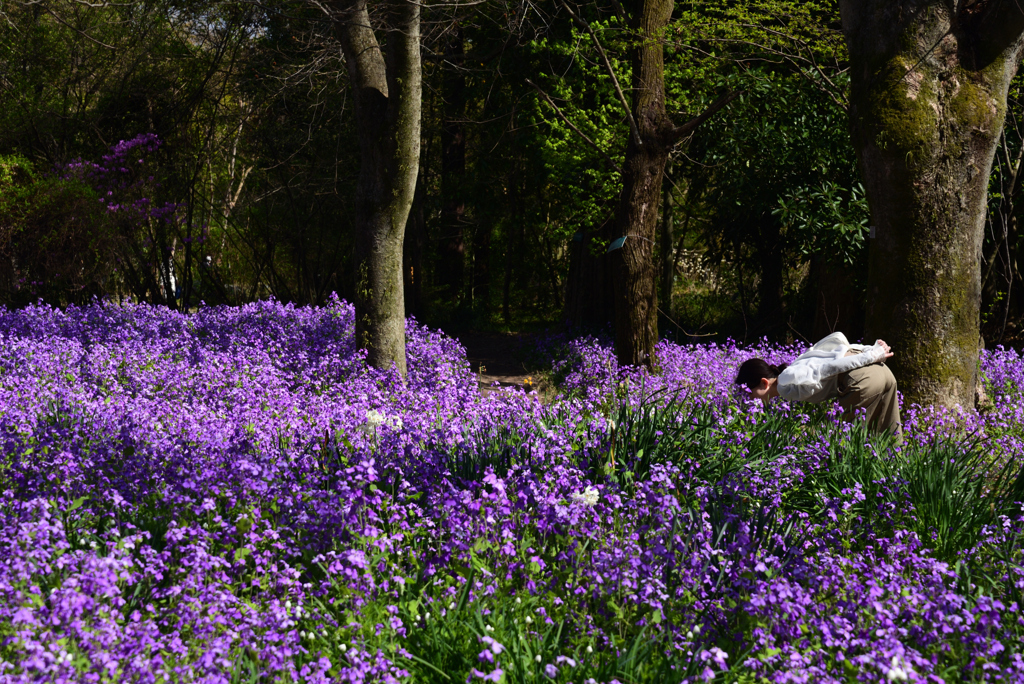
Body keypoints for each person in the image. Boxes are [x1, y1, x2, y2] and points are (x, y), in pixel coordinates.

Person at [734, 332, 901, 434]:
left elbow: (830, 367)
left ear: (764, 383)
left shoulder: (784, 383)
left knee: (840, 440)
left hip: (864, 378)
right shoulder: (797, 366)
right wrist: (871, 349)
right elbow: (840, 349)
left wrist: (870, 355)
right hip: (884, 372)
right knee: (888, 435)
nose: (748, 400)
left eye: (748, 393)